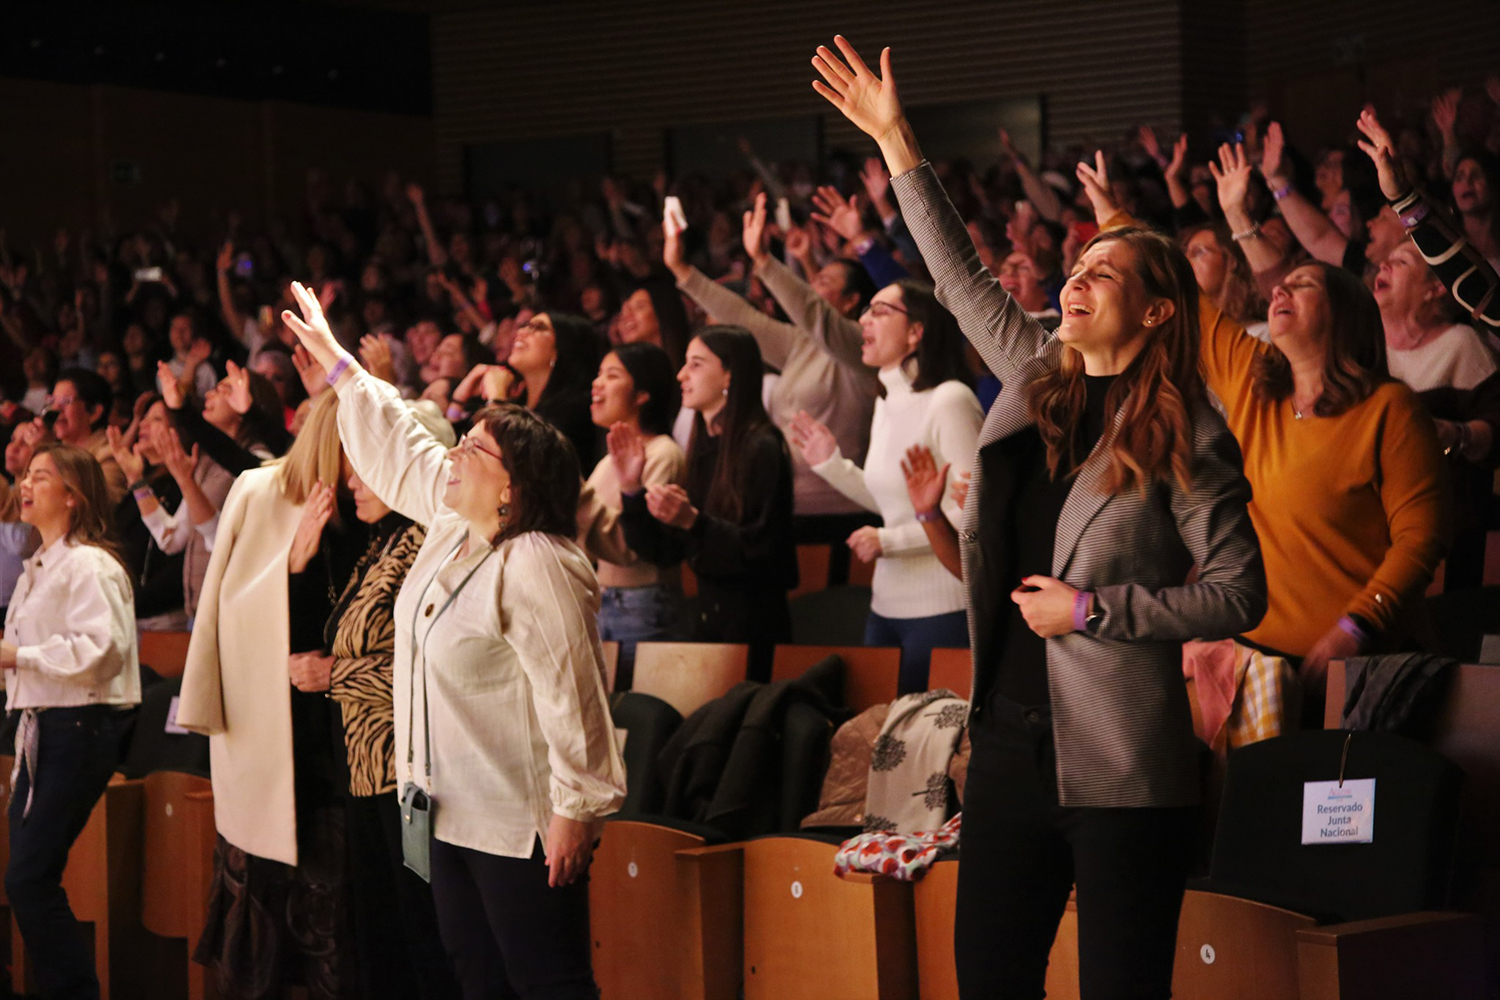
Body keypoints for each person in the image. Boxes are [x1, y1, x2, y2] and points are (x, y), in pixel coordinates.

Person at [813, 36, 1267, 998]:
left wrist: (1093, 611)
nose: (1077, 278)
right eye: (1079, 263)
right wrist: (897, 143)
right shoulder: (1033, 381)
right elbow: (959, 277)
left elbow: (1239, 594)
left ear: (1157, 313)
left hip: (1123, 766)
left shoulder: (1188, 431)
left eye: (1106, 273)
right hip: (1008, 750)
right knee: (989, 980)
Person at [282, 281, 627, 999]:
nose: (456, 453)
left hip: (518, 823)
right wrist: (342, 367)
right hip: (442, 812)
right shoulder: (450, 529)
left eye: (473, 448)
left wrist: (577, 810)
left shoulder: (537, 559)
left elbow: (574, 692)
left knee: (548, 984)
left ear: (512, 488)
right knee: (475, 979)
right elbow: (402, 444)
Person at [1201, 130, 1449, 700]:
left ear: (1344, 316)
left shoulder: (1389, 410)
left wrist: (1355, 627)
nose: (1278, 290)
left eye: (1303, 284)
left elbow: (1421, 538)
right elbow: (1187, 306)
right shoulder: (1254, 384)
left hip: (1364, 668)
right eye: (1279, 287)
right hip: (1261, 666)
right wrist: (1229, 214)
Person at [176, 390, 362, 999]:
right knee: (260, 939)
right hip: (270, 732)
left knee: (335, 932)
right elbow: (227, 616)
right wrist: (292, 566)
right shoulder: (260, 490)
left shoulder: (377, 504)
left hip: (344, 742)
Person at [787, 279, 981, 692]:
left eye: (879, 311)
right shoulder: (887, 400)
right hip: (885, 605)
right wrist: (830, 464)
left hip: (943, 606)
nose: (863, 321)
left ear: (916, 331)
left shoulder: (950, 400)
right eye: (866, 311)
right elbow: (895, 503)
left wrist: (890, 542)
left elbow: (972, 515)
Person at [2, 444, 140, 1000]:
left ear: (73, 496)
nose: (25, 485)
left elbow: (102, 649)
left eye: (40, 476)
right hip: (43, 725)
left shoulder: (90, 564)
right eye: (24, 475)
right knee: (27, 879)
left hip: (78, 727)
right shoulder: (38, 568)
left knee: (28, 879)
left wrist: (20, 656)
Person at [662, 197, 883, 534]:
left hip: (844, 515)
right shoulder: (800, 343)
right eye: (813, 281)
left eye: (824, 283)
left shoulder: (862, 347)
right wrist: (682, 271)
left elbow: (813, 311)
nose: (811, 288)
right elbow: (743, 319)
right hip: (786, 507)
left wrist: (765, 262)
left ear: (852, 301)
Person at [326, 461, 461, 1000]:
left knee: (417, 926)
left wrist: (333, 676)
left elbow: (422, 669)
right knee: (378, 927)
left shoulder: (422, 544)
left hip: (404, 768)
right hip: (363, 763)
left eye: (364, 471)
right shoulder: (380, 545)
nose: (352, 484)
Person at [619, 326, 798, 679]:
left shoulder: (761, 446)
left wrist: (693, 522)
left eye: (696, 364)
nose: (681, 375)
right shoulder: (703, 446)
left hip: (754, 630)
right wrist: (632, 492)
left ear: (730, 375)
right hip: (708, 623)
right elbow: (666, 553)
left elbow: (765, 554)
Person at [580, 343, 687, 684]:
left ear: (642, 394)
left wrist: (569, 492)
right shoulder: (606, 462)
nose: (597, 383)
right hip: (603, 598)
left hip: (643, 602)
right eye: (598, 374)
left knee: (634, 702)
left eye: (612, 376)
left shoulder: (662, 453)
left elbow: (634, 546)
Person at [42, 368, 128, 503]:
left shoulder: (109, 455)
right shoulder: (55, 450)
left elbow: (105, 504)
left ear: (94, 412)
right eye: (52, 401)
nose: (56, 409)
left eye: (65, 401)